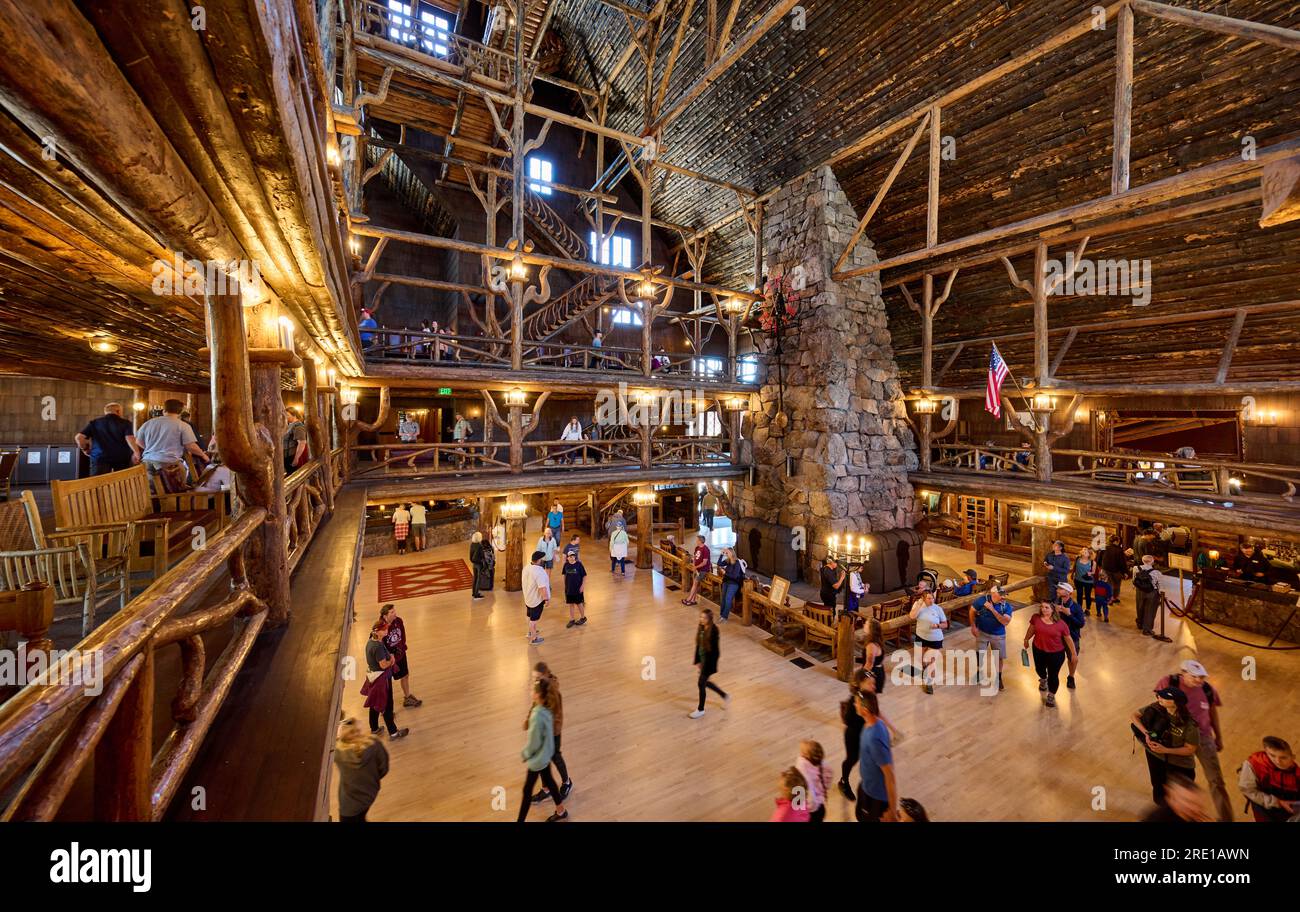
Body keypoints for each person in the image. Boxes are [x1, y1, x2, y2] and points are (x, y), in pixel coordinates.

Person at [1156, 659, 1232, 821]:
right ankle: (1173, 813)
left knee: (1216, 780)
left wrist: (1218, 736)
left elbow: (1212, 713)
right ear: (1182, 673)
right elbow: (1158, 705)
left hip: (1203, 737)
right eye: (1194, 676)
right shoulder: (1168, 682)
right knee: (1175, 780)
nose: (1199, 680)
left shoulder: (1207, 690)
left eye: (1202, 677)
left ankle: (1226, 818)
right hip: (1176, 737)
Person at [1132, 686, 1199, 806]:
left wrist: (1166, 750)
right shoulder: (1156, 707)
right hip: (1154, 756)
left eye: (1164, 697)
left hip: (1179, 764)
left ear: (1176, 703)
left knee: (1180, 797)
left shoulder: (1189, 723)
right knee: (1158, 787)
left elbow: (1190, 749)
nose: (1159, 697)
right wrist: (1146, 733)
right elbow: (1134, 716)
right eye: (1159, 695)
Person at [518, 677, 568, 822]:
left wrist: (525, 753)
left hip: (537, 760)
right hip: (546, 755)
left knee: (527, 791)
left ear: (537, 695)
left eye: (532, 690)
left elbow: (533, 743)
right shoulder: (548, 709)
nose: (530, 691)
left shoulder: (537, 715)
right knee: (550, 782)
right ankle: (561, 811)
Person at [527, 662, 573, 807]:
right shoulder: (539, 686)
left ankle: (567, 782)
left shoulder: (554, 692)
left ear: (545, 675)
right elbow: (535, 704)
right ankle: (545, 788)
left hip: (553, 732)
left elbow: (557, 717)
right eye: (533, 677)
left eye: (538, 677)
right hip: (542, 730)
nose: (535, 680)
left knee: (555, 756)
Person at [131, 398, 209, 483]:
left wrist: (153, 448)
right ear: (180, 412)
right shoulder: (183, 425)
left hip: (147, 463)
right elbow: (191, 446)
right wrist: (203, 455)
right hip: (170, 465)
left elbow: (138, 441)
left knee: (150, 493)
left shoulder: (148, 423)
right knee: (175, 492)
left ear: (164, 410)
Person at [854, 690, 899, 822]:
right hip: (866, 786)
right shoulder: (873, 723)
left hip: (876, 797)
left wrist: (892, 811)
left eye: (856, 703)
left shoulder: (874, 739)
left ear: (865, 710)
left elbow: (890, 776)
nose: (854, 705)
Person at [333, 718, 389, 823]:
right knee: (361, 816)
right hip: (370, 792)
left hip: (349, 804)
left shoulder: (338, 752)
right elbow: (384, 769)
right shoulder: (374, 743)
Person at [1023, 601, 1076, 707]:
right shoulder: (1036, 618)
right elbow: (1031, 629)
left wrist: (1073, 654)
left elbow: (1069, 639)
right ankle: (1043, 679)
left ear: (1053, 610)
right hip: (1038, 649)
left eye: (1046, 607)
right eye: (1042, 607)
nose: (1043, 609)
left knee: (1053, 675)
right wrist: (1026, 639)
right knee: (1039, 669)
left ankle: (1051, 695)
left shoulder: (1061, 624)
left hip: (1056, 654)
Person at [361, 621, 409, 739]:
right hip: (381, 680)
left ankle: (374, 728)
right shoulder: (377, 647)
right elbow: (383, 665)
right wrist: (392, 659)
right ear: (377, 631)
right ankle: (393, 732)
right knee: (387, 706)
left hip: (373, 677)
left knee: (374, 702)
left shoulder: (371, 642)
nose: (387, 632)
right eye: (385, 630)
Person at [1239, 736, 1299, 822]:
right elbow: (1248, 790)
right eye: (1272, 755)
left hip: (1288, 812)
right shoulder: (1254, 765)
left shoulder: (1296, 773)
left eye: (1283, 757)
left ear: (1292, 758)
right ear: (1266, 751)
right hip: (1265, 810)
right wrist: (1278, 802)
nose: (1277, 761)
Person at [969, 584, 1012, 691]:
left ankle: (999, 678)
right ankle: (979, 672)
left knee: (998, 657)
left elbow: (1005, 622)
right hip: (982, 632)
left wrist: (992, 609)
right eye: (1000, 595)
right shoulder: (981, 600)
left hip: (998, 635)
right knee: (980, 653)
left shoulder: (1006, 606)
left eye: (1004, 595)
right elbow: (972, 611)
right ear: (993, 594)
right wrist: (973, 626)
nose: (1003, 597)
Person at [76, 402, 138, 476]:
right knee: (122, 484)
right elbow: (129, 438)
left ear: (106, 412)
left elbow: (79, 437)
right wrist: (136, 452)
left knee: (98, 484)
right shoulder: (125, 423)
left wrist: (85, 449)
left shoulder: (95, 423)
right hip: (121, 458)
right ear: (118, 411)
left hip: (99, 458)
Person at [380, 604, 422, 708]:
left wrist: (402, 647)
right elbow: (380, 644)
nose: (395, 614)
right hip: (389, 660)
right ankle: (385, 707)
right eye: (392, 612)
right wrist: (389, 654)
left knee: (405, 675)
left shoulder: (398, 621)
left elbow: (403, 635)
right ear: (385, 616)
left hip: (401, 654)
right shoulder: (381, 627)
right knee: (387, 684)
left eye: (395, 611)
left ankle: (407, 698)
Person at [838, 668, 870, 800]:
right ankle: (844, 782)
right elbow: (849, 721)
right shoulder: (854, 702)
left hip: (864, 734)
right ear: (858, 684)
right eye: (869, 683)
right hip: (853, 736)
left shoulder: (868, 697)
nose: (872, 685)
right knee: (852, 759)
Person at [689, 608, 727, 718]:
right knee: (704, 682)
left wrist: (706, 665)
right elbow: (698, 644)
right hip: (703, 659)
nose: (701, 619)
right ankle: (724, 696)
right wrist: (698, 660)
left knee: (701, 683)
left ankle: (701, 709)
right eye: (701, 617)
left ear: (709, 619)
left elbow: (715, 651)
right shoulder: (701, 627)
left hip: (710, 661)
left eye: (704, 618)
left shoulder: (714, 630)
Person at [909, 587, 947, 695]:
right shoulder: (918, 605)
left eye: (933, 598)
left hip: (935, 639)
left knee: (931, 661)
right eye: (929, 598)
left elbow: (945, 624)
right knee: (921, 659)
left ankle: (929, 683)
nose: (932, 600)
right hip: (920, 636)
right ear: (923, 598)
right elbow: (912, 616)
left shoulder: (937, 609)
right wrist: (920, 605)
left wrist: (938, 625)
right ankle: (924, 670)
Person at [1054, 581, 1084, 690]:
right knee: (1054, 658)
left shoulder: (1076, 607)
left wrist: (1069, 614)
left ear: (1068, 593)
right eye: (1058, 589)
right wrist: (1055, 613)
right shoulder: (1056, 604)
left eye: (1060, 589)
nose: (1057, 590)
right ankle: (1052, 677)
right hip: (1057, 637)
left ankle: (1071, 677)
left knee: (1073, 659)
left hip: (1072, 637)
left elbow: (1081, 624)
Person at [795, 740, 833, 823]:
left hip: (809, 812)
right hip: (820, 807)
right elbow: (827, 782)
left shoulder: (801, 769)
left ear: (806, 756)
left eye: (801, 753)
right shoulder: (825, 765)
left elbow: (801, 795)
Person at [1132, 553, 1164, 636]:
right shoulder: (1157, 573)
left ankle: (1140, 623)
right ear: (1152, 562)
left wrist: (1134, 588)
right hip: (1152, 592)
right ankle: (1147, 629)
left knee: (1140, 607)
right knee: (1150, 610)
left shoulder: (1136, 568)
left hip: (1140, 591)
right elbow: (1159, 585)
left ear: (1142, 560)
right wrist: (1161, 595)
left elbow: (1134, 579)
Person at [523, 550, 550, 646]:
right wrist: (546, 599)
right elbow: (542, 588)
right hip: (536, 600)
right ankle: (534, 639)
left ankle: (530, 632)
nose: (544, 561)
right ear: (539, 560)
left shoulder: (527, 567)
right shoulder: (539, 572)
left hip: (528, 598)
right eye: (543, 559)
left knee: (529, 616)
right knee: (533, 620)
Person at [716, 547, 745, 622]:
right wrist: (721, 554)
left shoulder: (737, 562)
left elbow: (735, 576)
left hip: (734, 583)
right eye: (726, 553)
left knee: (728, 599)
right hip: (726, 582)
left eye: (727, 553)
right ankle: (721, 615)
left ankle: (725, 617)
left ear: (732, 553)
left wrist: (725, 573)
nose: (726, 554)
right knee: (723, 598)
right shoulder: (728, 561)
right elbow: (719, 564)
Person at [682, 534, 711, 606]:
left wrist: (696, 567)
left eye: (697, 540)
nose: (696, 541)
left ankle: (689, 599)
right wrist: (694, 565)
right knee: (695, 584)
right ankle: (693, 600)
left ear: (701, 541)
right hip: (697, 569)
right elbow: (695, 557)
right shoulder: (697, 548)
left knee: (695, 583)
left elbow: (705, 562)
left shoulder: (706, 550)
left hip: (703, 570)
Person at [1100, 535, 1130, 604]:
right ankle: (1114, 598)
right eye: (1119, 541)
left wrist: (1100, 566)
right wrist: (1125, 572)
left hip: (1105, 569)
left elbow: (1099, 558)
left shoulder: (1104, 548)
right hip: (1115, 571)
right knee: (1116, 585)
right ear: (1116, 541)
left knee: (1107, 584)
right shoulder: (1119, 550)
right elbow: (1122, 563)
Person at [562, 549, 587, 628]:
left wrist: (582, 586)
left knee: (579, 603)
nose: (572, 558)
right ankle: (572, 619)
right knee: (571, 604)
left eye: (573, 556)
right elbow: (564, 575)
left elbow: (584, 576)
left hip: (577, 589)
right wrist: (565, 586)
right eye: (570, 556)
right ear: (567, 558)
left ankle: (583, 618)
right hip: (569, 589)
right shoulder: (566, 565)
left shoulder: (579, 565)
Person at [1074, 546, 1096, 615]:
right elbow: (1075, 567)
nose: (1083, 551)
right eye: (1083, 550)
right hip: (1078, 580)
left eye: (1086, 551)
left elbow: (1093, 572)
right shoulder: (1077, 558)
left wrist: (1091, 573)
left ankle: (1087, 609)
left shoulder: (1092, 562)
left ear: (1089, 554)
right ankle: (1079, 608)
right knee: (1079, 594)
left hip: (1088, 582)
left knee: (1087, 595)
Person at [469, 531, 487, 600]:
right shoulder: (479, 546)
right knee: (479, 579)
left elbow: (470, 556)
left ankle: (474, 592)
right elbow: (482, 556)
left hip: (474, 564)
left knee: (475, 578)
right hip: (479, 564)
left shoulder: (472, 544)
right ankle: (476, 595)